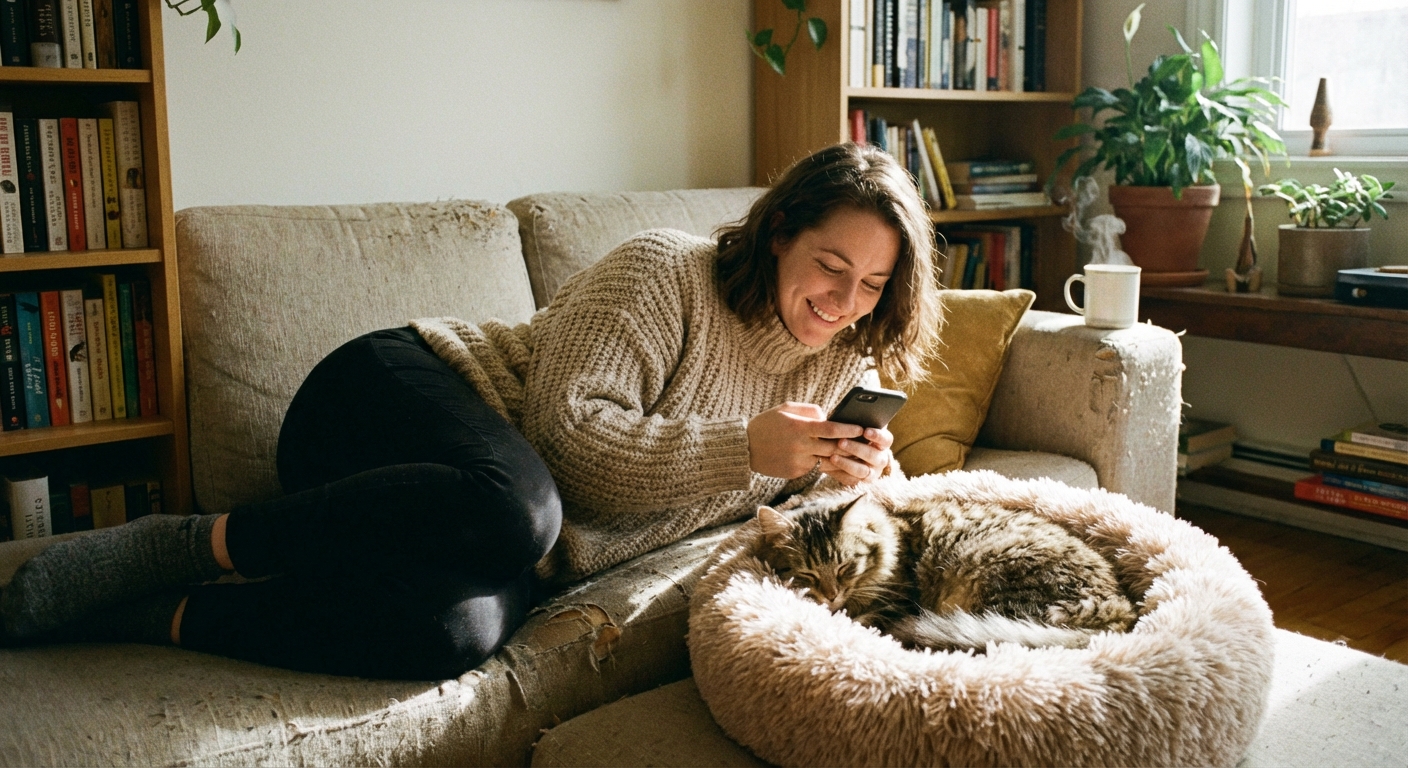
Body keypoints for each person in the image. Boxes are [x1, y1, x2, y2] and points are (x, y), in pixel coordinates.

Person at [0, 142, 942, 680]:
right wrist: (747, 446)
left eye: (871, 285)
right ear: (781, 230)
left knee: (457, 637)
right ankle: (174, 544)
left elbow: (751, 519)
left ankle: (162, 614)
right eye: (830, 267)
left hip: (480, 528)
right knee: (516, 505)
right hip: (390, 394)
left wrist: (847, 477)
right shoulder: (669, 272)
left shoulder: (840, 359)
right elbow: (570, 449)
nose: (844, 302)